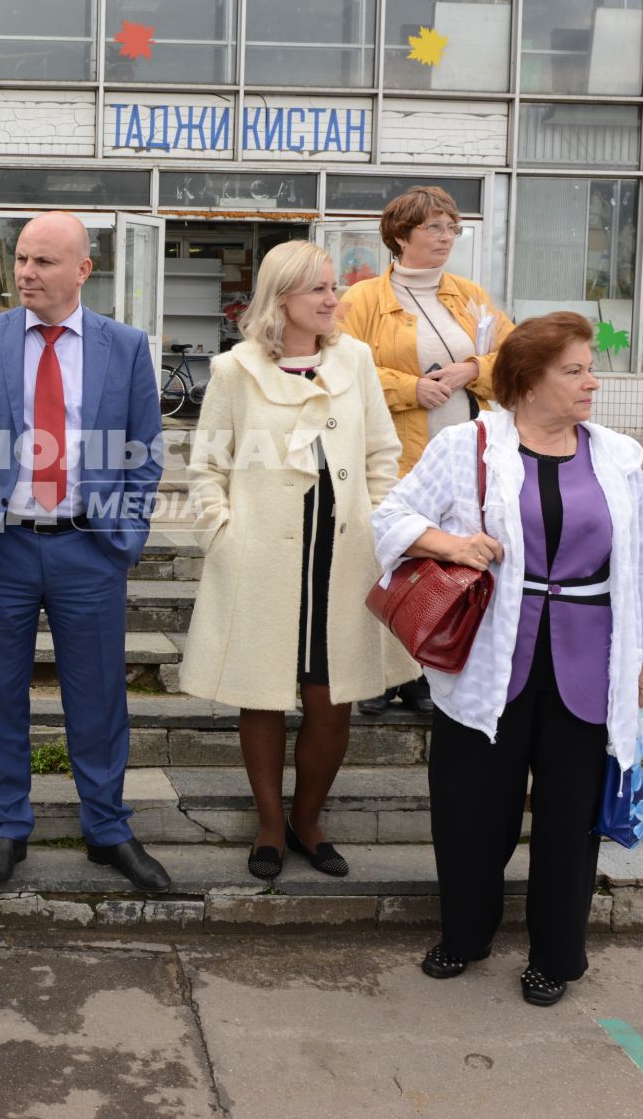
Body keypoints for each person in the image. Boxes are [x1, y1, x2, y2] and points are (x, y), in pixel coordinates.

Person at [371, 312, 643, 1008]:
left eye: (588, 369)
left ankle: (554, 956)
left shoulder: (616, 455)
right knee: (469, 805)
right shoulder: (467, 445)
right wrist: (449, 545)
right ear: (527, 380)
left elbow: (642, 559)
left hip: (588, 659)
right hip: (489, 657)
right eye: (573, 370)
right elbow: (388, 518)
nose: (590, 382)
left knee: (571, 819)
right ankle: (464, 935)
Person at [0, 210, 169, 892]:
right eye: (21, 259)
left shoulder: (123, 346)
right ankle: (5, 828)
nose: (25, 272)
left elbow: (144, 455)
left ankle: (107, 828)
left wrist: (124, 536)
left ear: (82, 270)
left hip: (87, 551)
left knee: (96, 699)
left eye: (42, 262)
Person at [178, 241, 412, 881]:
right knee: (262, 693)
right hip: (261, 556)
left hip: (342, 554)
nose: (334, 300)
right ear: (282, 298)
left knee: (330, 696)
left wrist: (380, 526)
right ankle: (270, 826)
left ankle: (310, 820)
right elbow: (207, 467)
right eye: (319, 290)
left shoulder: (355, 360)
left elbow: (381, 455)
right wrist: (221, 532)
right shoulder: (235, 369)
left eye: (333, 287)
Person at [341, 185, 515, 718]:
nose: (446, 238)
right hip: (393, 454)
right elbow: (343, 367)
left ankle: (419, 669)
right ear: (401, 236)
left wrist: (471, 370)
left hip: (461, 455)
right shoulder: (364, 299)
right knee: (387, 557)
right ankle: (375, 672)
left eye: (451, 228)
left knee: (441, 559)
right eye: (434, 228)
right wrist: (407, 387)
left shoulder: (470, 295)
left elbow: (513, 357)